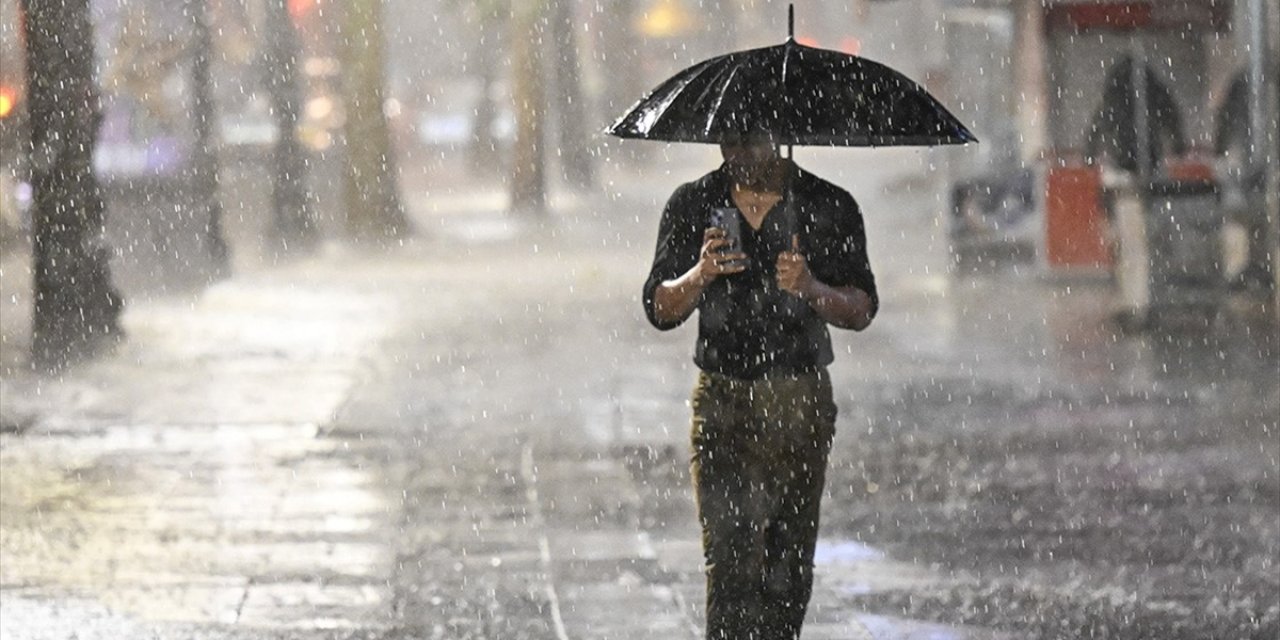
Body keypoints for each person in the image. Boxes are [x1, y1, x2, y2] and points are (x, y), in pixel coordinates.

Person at [642, 132, 877, 640]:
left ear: (780, 135)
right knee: (728, 566)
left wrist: (811, 287)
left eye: (749, 140)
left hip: (799, 399)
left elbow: (861, 309)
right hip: (722, 399)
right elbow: (659, 307)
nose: (736, 154)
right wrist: (700, 275)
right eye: (726, 141)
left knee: (787, 568)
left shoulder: (827, 204)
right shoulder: (693, 202)